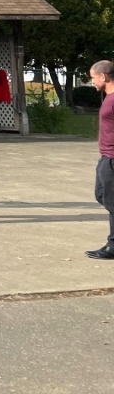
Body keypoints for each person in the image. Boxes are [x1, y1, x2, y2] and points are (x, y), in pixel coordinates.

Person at [86, 60, 114, 259]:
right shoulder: (109, 97)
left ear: (103, 77)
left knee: (112, 202)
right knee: (101, 195)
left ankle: (112, 246)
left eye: (93, 77)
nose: (92, 82)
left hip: (112, 158)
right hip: (105, 156)